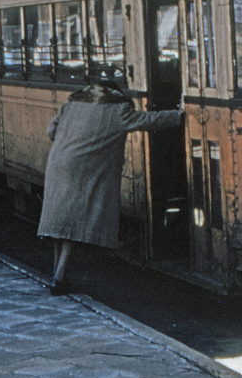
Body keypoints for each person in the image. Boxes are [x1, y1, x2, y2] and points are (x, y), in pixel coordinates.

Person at [38, 81, 183, 295]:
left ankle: (57, 274)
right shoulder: (118, 109)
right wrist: (178, 114)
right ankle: (58, 279)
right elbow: (148, 120)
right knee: (72, 225)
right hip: (82, 169)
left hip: (58, 162)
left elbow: (51, 131)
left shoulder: (71, 104)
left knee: (60, 223)